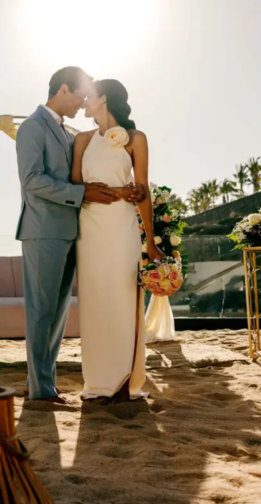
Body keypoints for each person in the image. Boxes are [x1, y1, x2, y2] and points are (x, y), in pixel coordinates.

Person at [15, 67, 145, 403]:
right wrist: (81, 193)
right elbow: (31, 180)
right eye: (79, 95)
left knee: (56, 314)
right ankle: (40, 388)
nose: (82, 102)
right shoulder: (32, 127)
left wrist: (118, 192)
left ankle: (43, 382)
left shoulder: (67, 132)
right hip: (43, 231)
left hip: (72, 232)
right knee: (41, 311)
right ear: (62, 89)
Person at [71, 79, 160, 402]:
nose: (83, 102)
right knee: (95, 303)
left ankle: (125, 380)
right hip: (90, 230)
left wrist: (150, 242)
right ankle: (97, 382)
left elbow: (143, 192)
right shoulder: (81, 140)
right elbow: (77, 188)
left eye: (89, 97)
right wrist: (120, 191)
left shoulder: (136, 139)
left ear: (104, 98)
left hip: (123, 229)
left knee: (124, 299)